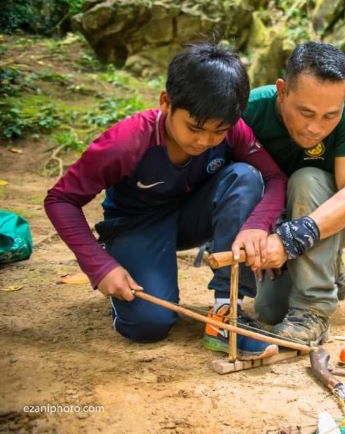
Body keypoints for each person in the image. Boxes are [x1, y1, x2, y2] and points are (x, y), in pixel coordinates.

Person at [44, 43, 287, 360]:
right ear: (165, 103)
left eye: (218, 132)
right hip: (137, 225)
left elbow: (275, 178)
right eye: (194, 128)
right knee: (149, 326)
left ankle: (226, 315)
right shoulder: (125, 143)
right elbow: (61, 200)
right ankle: (129, 274)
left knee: (244, 176)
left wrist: (257, 225)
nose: (203, 141)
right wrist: (99, 266)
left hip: (191, 218)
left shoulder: (233, 131)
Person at [243, 41, 345, 346]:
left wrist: (290, 240)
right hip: (278, 218)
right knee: (270, 310)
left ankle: (313, 311)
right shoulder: (250, 110)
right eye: (305, 112)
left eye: (329, 116)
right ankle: (328, 266)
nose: (315, 128)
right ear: (282, 90)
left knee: (306, 180)